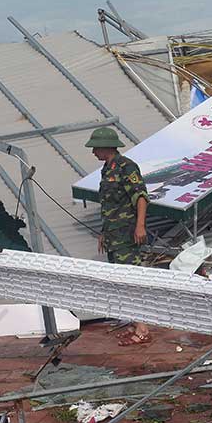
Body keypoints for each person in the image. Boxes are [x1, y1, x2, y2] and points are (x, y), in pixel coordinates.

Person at [85, 127, 151, 346]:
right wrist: (104, 232)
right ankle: (134, 322)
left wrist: (140, 226)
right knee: (121, 282)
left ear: (106, 147)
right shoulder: (107, 169)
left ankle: (143, 328)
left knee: (131, 281)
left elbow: (140, 196)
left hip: (127, 235)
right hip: (114, 236)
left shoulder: (126, 167)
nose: (94, 152)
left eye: (96, 147)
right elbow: (110, 206)